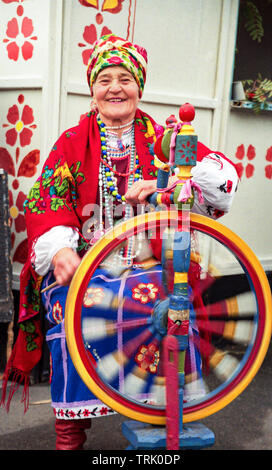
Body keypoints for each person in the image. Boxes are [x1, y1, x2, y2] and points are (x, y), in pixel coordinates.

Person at [1, 34, 239, 450]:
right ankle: (69, 433)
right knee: (73, 304)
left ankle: (168, 418)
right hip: (88, 264)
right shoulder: (71, 144)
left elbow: (221, 184)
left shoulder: (165, 140)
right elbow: (45, 203)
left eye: (125, 78)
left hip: (154, 264)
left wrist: (168, 182)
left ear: (139, 87)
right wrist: (59, 251)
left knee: (167, 303)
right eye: (105, 78)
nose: (115, 87)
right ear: (92, 88)